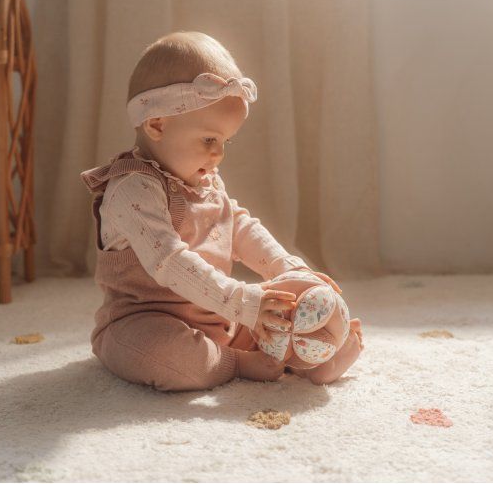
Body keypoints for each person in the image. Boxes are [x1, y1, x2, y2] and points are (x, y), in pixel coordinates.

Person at [80, 32, 364, 391]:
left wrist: (286, 267)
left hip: (220, 314)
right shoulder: (131, 189)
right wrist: (243, 301)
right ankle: (236, 362)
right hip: (143, 321)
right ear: (157, 125)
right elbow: (169, 261)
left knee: (281, 310)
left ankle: (312, 353)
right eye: (209, 140)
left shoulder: (204, 178)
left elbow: (238, 225)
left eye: (225, 141)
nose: (219, 154)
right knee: (173, 357)